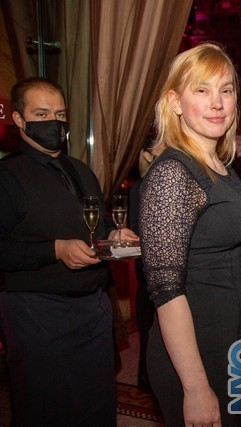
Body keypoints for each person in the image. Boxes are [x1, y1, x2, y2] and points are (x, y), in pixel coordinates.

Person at [0, 77, 137, 426]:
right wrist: (55, 249)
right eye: (41, 114)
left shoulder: (80, 170)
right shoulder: (6, 176)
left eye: (60, 115)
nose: (54, 123)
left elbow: (98, 226)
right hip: (37, 311)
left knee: (96, 403)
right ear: (19, 119)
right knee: (46, 408)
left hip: (92, 307)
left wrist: (115, 235)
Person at [139, 42, 241, 427]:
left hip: (229, 341)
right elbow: (166, 291)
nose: (217, 103)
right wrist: (195, 387)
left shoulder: (219, 164)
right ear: (175, 101)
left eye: (226, 90)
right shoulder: (173, 173)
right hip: (194, 354)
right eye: (202, 90)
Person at [128, 137, 158, 392]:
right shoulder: (141, 187)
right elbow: (137, 230)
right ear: (147, 155)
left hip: (157, 267)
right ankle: (149, 381)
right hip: (149, 268)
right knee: (150, 326)